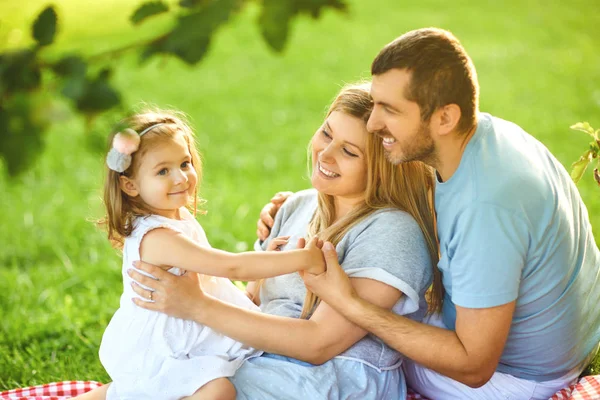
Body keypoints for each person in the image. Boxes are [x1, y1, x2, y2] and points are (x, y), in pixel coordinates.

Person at [258, 28, 600, 400]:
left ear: (444, 118)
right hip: (560, 338)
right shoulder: (485, 140)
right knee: (377, 282)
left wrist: (349, 302)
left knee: (350, 339)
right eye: (375, 104)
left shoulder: (486, 206)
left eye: (390, 110)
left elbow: (473, 366)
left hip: (514, 375)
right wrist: (306, 207)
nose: (373, 124)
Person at [81, 83, 442, 399]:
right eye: (327, 133)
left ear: (385, 165)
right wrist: (254, 282)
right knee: (138, 388)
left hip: (330, 375)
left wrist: (196, 305)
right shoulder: (297, 206)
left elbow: (320, 344)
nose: (326, 154)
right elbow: (251, 303)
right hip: (255, 353)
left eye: (350, 151)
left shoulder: (393, 231)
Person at [93, 109, 326, 400]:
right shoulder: (158, 237)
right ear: (130, 185)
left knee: (200, 388)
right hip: (163, 346)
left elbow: (216, 280)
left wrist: (267, 265)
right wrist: (303, 258)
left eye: (184, 163)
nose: (180, 178)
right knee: (217, 391)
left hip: (186, 333)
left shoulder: (172, 217)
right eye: (163, 171)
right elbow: (230, 267)